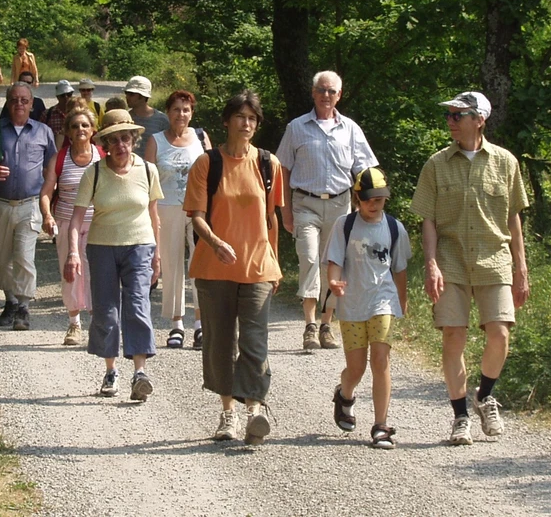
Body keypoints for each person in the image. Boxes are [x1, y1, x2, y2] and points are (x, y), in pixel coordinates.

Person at [410, 91, 530, 446]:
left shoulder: (506, 162)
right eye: (448, 115)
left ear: (479, 120)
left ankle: (485, 395)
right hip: (451, 260)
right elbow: (428, 220)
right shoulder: (436, 164)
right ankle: (460, 416)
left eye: (457, 115)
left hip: (495, 258)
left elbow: (513, 218)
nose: (450, 121)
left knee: (500, 333)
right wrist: (431, 265)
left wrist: (522, 269)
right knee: (454, 337)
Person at [184, 90, 285, 445]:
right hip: (214, 268)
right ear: (226, 121)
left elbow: (271, 217)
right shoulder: (207, 164)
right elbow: (196, 215)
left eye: (253, 119)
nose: (246, 124)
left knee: (255, 342)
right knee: (220, 343)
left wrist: (275, 262)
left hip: (258, 266)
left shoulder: (268, 164)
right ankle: (228, 414)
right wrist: (215, 242)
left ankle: (254, 413)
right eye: (241, 117)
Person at [62, 109, 164, 401]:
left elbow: (154, 216)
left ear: (133, 140)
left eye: (126, 139)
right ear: (104, 144)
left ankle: (140, 372)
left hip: (140, 246)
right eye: (114, 140)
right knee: (106, 312)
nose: (121, 146)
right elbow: (76, 219)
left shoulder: (147, 170)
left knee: (137, 305)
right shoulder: (93, 174)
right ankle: (111, 370)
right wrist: (73, 253)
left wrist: (157, 256)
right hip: (102, 247)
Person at [276, 70, 378, 350]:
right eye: (321, 90)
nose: (326, 96)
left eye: (331, 91)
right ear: (313, 93)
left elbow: (366, 170)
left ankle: (326, 324)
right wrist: (284, 210)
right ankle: (309, 325)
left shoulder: (351, 129)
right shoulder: (296, 127)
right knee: (309, 259)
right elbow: (282, 169)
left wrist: (369, 206)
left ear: (339, 95)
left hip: (340, 204)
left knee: (332, 265)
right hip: (305, 202)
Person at [325, 167, 410, 450]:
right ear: (357, 198)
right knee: (357, 368)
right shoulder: (344, 225)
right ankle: (345, 394)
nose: (374, 205)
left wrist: (402, 299)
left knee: (381, 360)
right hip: (351, 304)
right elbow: (334, 259)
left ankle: (381, 426)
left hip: (382, 300)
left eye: (380, 199)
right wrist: (334, 282)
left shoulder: (395, 228)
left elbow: (399, 269)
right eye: (368, 199)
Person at [0, 82, 57, 331]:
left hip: (30, 205)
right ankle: (10, 299)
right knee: (1, 258)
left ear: (32, 104)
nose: (19, 104)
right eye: (14, 99)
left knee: (25, 257)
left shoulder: (43, 132)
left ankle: (24, 307)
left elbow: (52, 166)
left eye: (24, 100)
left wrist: (48, 199)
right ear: (7, 103)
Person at [144, 90, 211, 349]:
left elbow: (213, 175)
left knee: (200, 265)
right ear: (168, 113)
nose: (181, 114)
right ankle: (176, 325)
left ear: (192, 113)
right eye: (176, 109)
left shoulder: (201, 138)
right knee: (172, 267)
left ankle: (200, 324)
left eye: (186, 110)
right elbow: (148, 182)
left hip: (197, 211)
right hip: (166, 208)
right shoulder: (156, 141)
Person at [42, 107, 102, 346]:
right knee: (70, 273)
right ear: (67, 131)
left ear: (93, 130)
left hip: (98, 224)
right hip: (67, 224)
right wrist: (47, 215)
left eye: (85, 126)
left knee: (96, 274)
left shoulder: (102, 157)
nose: (80, 130)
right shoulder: (59, 159)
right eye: (75, 126)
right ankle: (74, 324)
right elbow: (46, 191)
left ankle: (97, 323)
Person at [124, 76, 169, 155]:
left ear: (142, 96)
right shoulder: (125, 118)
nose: (127, 97)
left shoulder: (162, 120)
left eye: (131, 94)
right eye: (126, 93)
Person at [45, 80, 77, 148]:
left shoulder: (77, 113)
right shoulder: (48, 114)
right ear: (57, 97)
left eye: (69, 94)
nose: (66, 97)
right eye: (62, 95)